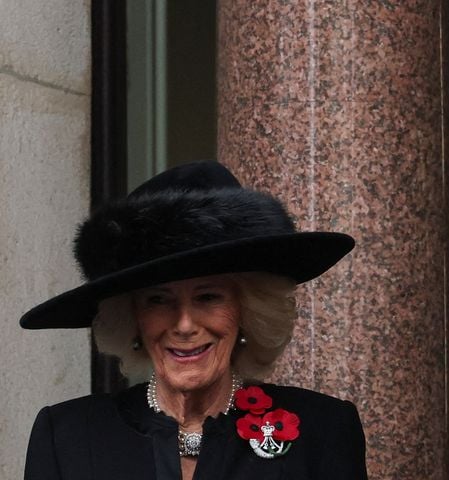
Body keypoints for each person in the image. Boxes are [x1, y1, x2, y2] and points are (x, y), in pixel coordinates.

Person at [20, 160, 368, 479]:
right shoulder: (67, 437)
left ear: (247, 310)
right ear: (132, 317)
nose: (184, 325)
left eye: (208, 297)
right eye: (158, 300)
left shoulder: (323, 432)